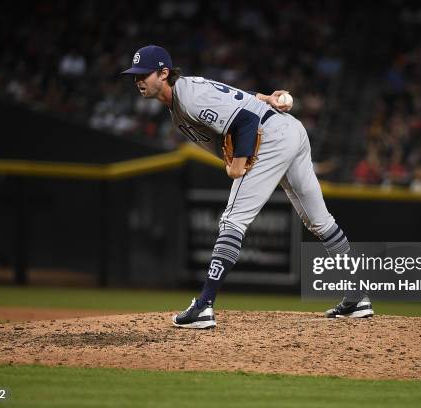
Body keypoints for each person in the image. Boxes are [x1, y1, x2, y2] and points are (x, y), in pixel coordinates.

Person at [122, 45, 373, 328]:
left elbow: (246, 119)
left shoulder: (188, 97)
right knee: (320, 222)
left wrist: (239, 162)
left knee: (233, 220)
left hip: (269, 136)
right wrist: (264, 97)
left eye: (144, 74)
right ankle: (357, 297)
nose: (138, 81)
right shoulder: (185, 95)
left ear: (164, 73)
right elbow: (238, 99)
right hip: (288, 131)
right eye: (135, 76)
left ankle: (203, 306)